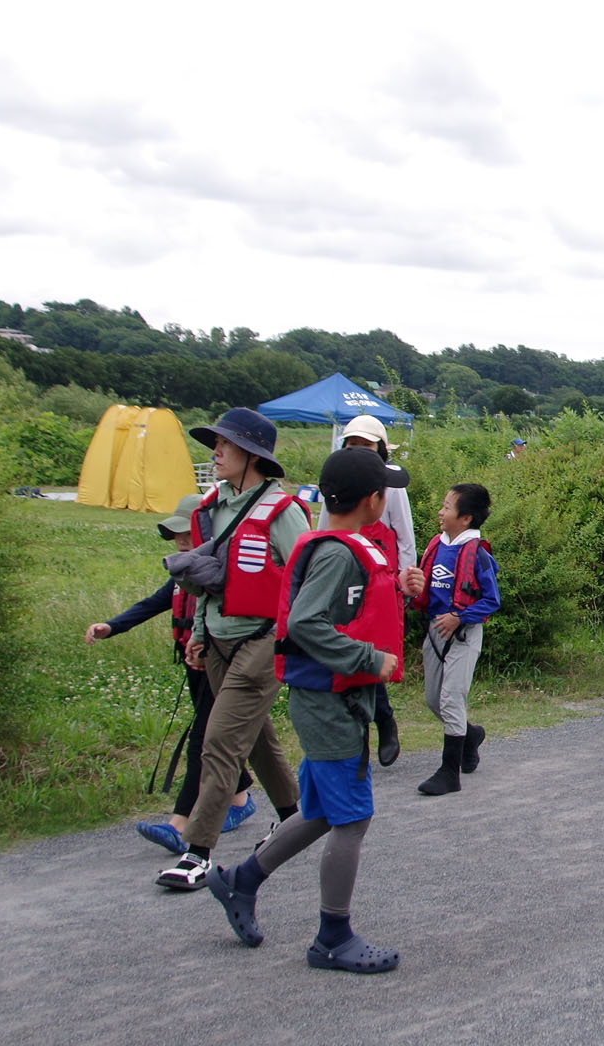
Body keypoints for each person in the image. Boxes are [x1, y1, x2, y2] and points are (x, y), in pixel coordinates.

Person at [204, 447, 415, 973]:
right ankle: (332, 937)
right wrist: (371, 659)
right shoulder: (340, 552)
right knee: (354, 819)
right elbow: (304, 623)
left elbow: (351, 611)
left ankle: (241, 880)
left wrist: (402, 594)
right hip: (329, 703)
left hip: (331, 698)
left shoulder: (346, 547)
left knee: (321, 811)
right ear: (374, 501)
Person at [156, 408, 310, 892]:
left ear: (252, 455)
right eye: (215, 443)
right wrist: (200, 632)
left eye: (224, 444)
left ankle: (197, 851)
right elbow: (209, 579)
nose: (215, 451)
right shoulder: (211, 506)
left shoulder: (283, 512)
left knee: (220, 741)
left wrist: (294, 638)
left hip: (263, 639)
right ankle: (295, 818)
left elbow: (305, 576)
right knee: (256, 737)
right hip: (219, 640)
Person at [87, 494, 256, 854]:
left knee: (203, 739)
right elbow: (152, 604)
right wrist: (111, 627)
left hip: (220, 661)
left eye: (186, 532)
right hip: (194, 664)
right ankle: (240, 799)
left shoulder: (225, 570)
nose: (179, 541)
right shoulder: (183, 575)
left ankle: (180, 826)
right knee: (219, 734)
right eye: (175, 535)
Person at [318, 414, 414, 765]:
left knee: (372, 645)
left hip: (381, 574)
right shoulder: (337, 478)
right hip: (343, 571)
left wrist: (405, 581)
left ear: (381, 448)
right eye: (352, 444)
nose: (359, 450)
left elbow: (404, 535)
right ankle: (377, 719)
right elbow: (324, 526)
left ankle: (382, 719)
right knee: (349, 644)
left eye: (366, 445)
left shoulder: (392, 485)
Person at [410, 483, 500, 796]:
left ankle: (449, 773)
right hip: (436, 632)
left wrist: (460, 616)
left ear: (465, 518)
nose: (441, 511)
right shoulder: (437, 545)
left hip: (463, 633)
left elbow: (492, 600)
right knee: (434, 700)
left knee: (451, 699)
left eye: (447, 507)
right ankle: (471, 735)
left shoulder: (478, 553)